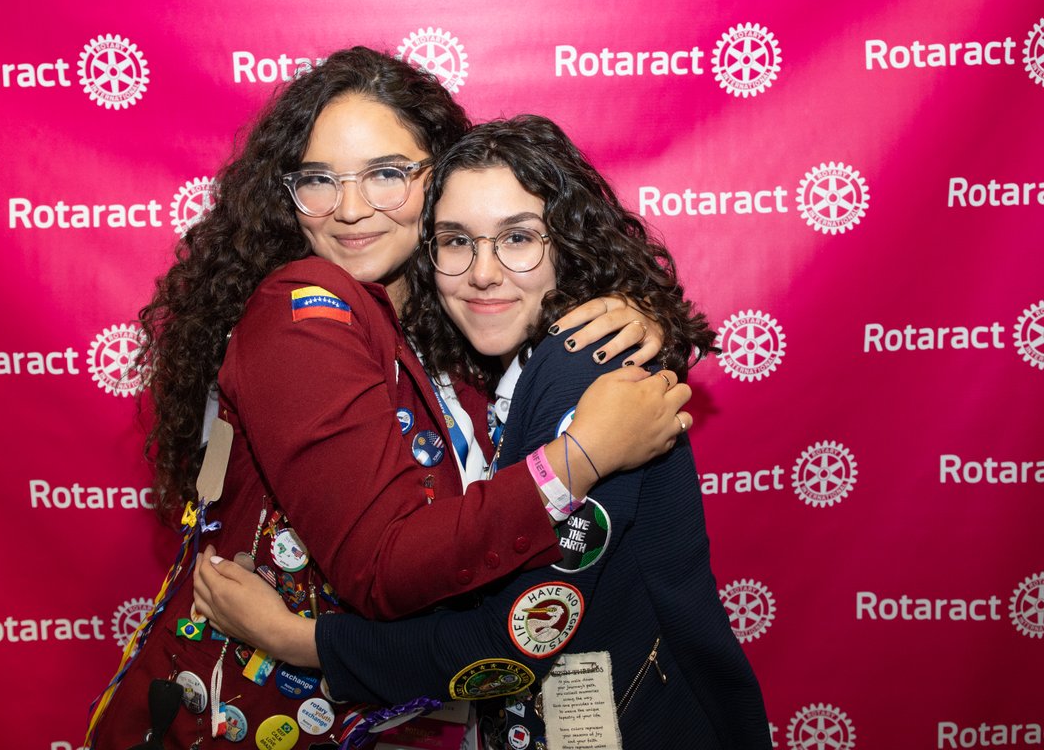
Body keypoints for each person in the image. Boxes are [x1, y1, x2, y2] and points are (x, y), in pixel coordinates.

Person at [88, 49, 694, 749]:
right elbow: (386, 566)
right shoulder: (306, 310)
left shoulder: (450, 331)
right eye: (319, 180)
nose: (349, 210)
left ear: (441, 176)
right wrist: (581, 457)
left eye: (385, 175)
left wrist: (636, 317)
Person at [194, 115, 771, 749]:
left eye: (518, 238)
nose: (484, 272)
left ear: (570, 243)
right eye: (456, 241)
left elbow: (515, 641)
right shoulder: (483, 368)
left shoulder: (582, 368)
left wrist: (299, 641)